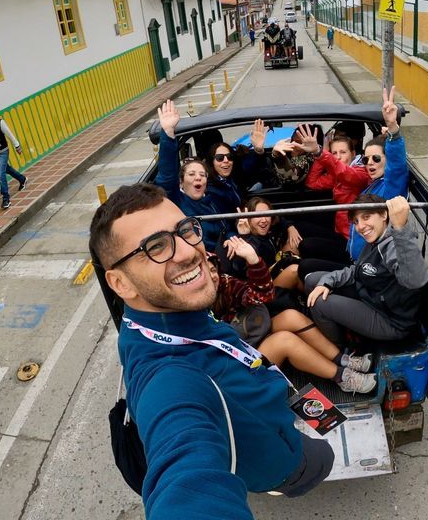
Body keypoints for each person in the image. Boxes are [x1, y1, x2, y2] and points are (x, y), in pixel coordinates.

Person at [89, 183, 334, 518]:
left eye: (186, 230)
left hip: (269, 415)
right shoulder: (169, 377)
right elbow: (185, 473)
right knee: (325, 458)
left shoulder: (167, 315)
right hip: (286, 462)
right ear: (120, 283)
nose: (189, 251)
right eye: (156, 246)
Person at [209, 238, 375, 393]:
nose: (212, 276)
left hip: (247, 335)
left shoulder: (224, 283)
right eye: (205, 272)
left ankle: (342, 359)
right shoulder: (193, 310)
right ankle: (341, 377)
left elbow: (261, 296)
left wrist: (253, 260)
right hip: (234, 364)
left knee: (290, 317)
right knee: (285, 340)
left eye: (212, 270)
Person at [305, 195, 428, 348]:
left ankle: (340, 350)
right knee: (314, 281)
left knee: (318, 304)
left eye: (366, 217)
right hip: (372, 297)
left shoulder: (392, 245)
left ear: (384, 215)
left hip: (390, 320)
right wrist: (327, 282)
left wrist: (401, 228)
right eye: (356, 222)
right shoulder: (376, 239)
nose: (360, 226)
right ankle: (339, 328)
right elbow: (357, 270)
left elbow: (414, 280)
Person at [154, 100, 232, 251]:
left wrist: (231, 239)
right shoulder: (177, 201)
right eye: (191, 174)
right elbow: (167, 177)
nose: (198, 177)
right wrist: (168, 133)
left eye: (202, 175)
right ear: (181, 183)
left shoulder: (212, 201)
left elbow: (228, 227)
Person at [347, 86, 409, 261]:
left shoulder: (390, 190)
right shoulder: (372, 185)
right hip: (355, 258)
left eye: (375, 158)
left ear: (386, 158)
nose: (370, 163)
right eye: (366, 160)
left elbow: (396, 168)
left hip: (369, 264)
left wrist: (393, 129)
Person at [295, 126, 370, 263]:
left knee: (307, 246)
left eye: (343, 152)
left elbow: (346, 174)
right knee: (299, 226)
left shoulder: (361, 172)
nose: (338, 157)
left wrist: (320, 153)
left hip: (352, 239)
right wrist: (322, 154)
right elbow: (312, 182)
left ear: (353, 154)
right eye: (334, 153)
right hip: (339, 230)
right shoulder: (336, 174)